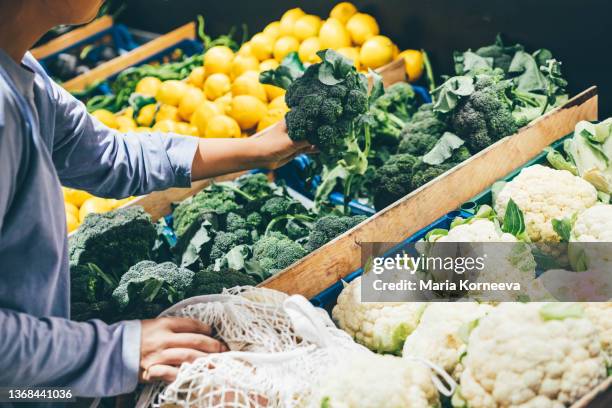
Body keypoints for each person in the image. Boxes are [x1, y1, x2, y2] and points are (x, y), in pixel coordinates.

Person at [0, 0, 312, 398]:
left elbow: (107, 155)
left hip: (34, 385)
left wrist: (256, 149)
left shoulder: (20, 67)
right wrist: (119, 350)